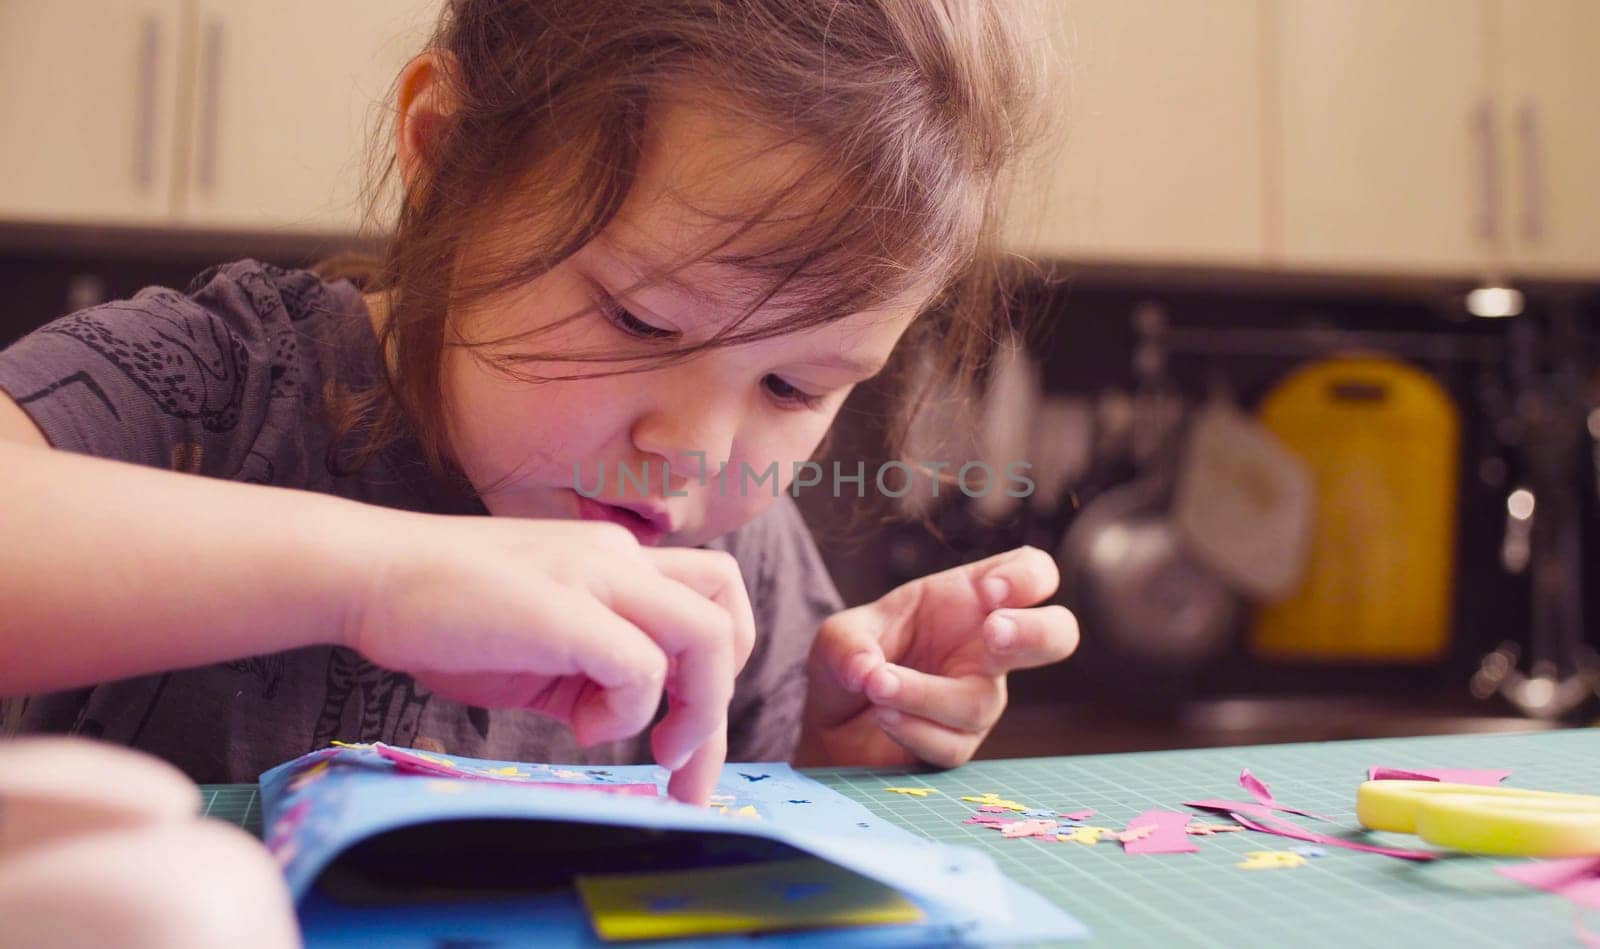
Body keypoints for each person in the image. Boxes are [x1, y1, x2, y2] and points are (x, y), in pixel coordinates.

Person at [0, 0, 1078, 816]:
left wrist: (842, 755)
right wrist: (380, 576)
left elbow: (739, 840)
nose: (696, 456)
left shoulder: (734, 551)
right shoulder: (210, 389)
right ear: (440, 152)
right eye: (641, 321)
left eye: (794, 387)